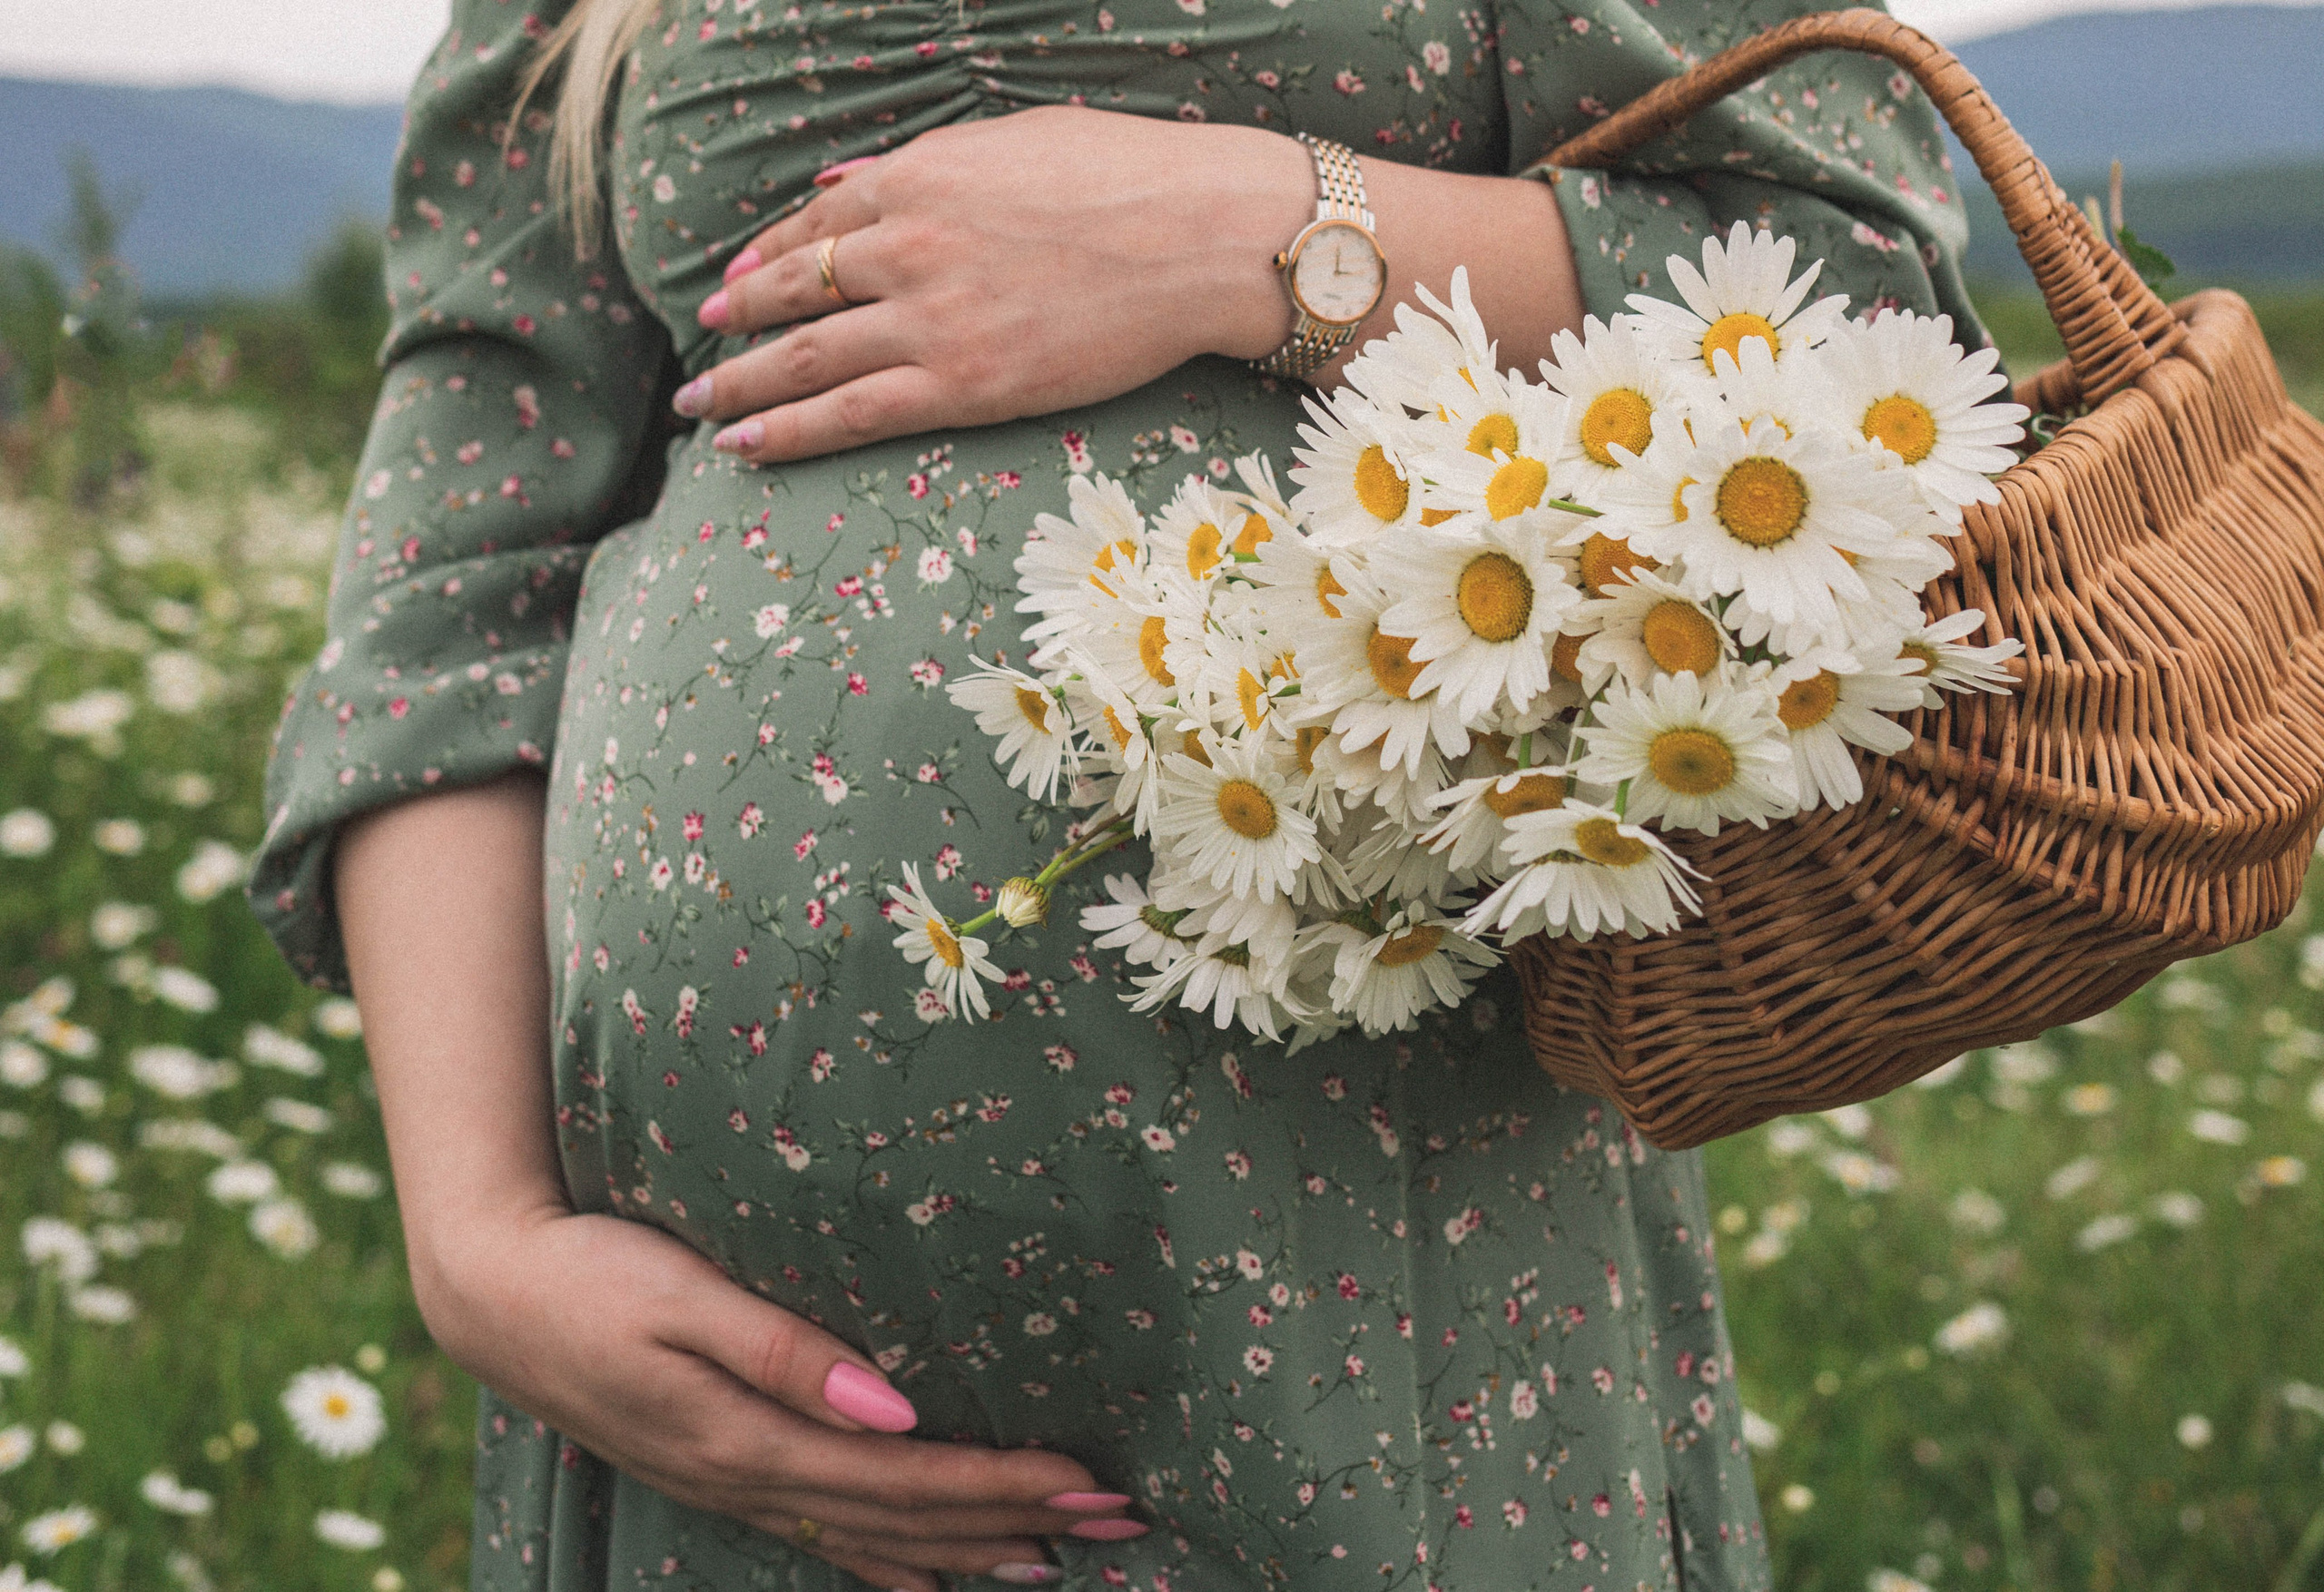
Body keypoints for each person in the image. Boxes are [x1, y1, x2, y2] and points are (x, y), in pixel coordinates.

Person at [251, 2, 1983, 1587]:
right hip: (718, 1402)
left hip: (1358, 1259)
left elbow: (1859, 308)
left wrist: (1251, 240)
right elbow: (455, 585)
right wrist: (479, 1243)